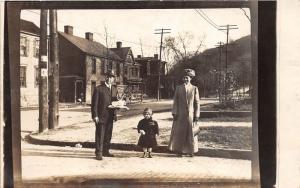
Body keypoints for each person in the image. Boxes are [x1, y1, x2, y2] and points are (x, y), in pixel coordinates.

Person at [168, 69, 200, 157]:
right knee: (180, 133)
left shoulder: (194, 88)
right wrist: (174, 113)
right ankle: (179, 150)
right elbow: (175, 101)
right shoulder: (178, 88)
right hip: (180, 115)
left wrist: (196, 115)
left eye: (187, 78)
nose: (185, 79)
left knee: (191, 133)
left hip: (190, 115)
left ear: (191, 78)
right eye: (184, 78)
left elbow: (197, 103)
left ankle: (191, 150)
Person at [91, 70, 119, 160]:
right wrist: (95, 115)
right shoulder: (99, 89)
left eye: (112, 77)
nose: (110, 79)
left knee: (108, 135)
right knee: (100, 135)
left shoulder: (114, 89)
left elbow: (115, 102)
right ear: (106, 77)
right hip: (101, 116)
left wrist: (120, 105)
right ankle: (99, 152)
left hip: (110, 116)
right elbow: (94, 104)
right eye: (109, 77)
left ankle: (106, 151)